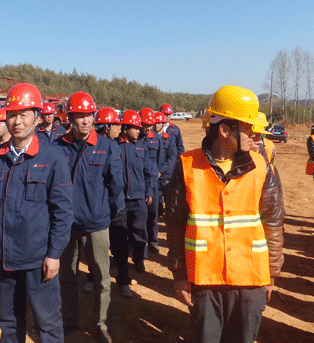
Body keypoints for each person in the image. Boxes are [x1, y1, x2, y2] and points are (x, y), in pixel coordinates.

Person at [166, 85, 284, 343]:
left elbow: (273, 222)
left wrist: (271, 275)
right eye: (248, 126)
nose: (256, 133)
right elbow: (175, 226)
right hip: (204, 281)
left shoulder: (262, 167)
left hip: (250, 280)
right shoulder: (186, 167)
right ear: (224, 130)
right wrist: (180, 276)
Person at [0, 83, 73, 343]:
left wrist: (54, 254)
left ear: (38, 117)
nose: (17, 121)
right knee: (9, 322)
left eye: (23, 114)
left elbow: (63, 212)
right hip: (3, 258)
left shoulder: (52, 157)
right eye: (12, 114)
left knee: (47, 323)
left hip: (37, 259)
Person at [54, 92, 123, 343]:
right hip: (66, 226)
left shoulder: (106, 147)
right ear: (70, 118)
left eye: (89, 116)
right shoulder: (58, 147)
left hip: (96, 225)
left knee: (102, 279)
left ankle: (102, 326)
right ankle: (69, 321)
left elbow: (115, 187)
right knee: (67, 277)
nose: (85, 121)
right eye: (79, 116)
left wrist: (108, 216)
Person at [113, 110, 157, 296]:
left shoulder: (141, 147)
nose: (140, 131)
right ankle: (122, 271)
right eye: (136, 128)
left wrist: (149, 191)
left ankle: (138, 259)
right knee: (120, 238)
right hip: (120, 200)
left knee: (139, 232)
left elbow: (149, 172)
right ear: (125, 128)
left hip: (139, 199)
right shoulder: (113, 146)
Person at [139, 108, 164, 255]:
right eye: (145, 124)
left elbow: (160, 159)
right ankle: (139, 245)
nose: (148, 127)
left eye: (150, 125)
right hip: (139, 182)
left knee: (153, 214)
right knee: (139, 216)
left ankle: (153, 241)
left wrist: (156, 174)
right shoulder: (135, 139)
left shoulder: (156, 138)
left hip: (153, 182)